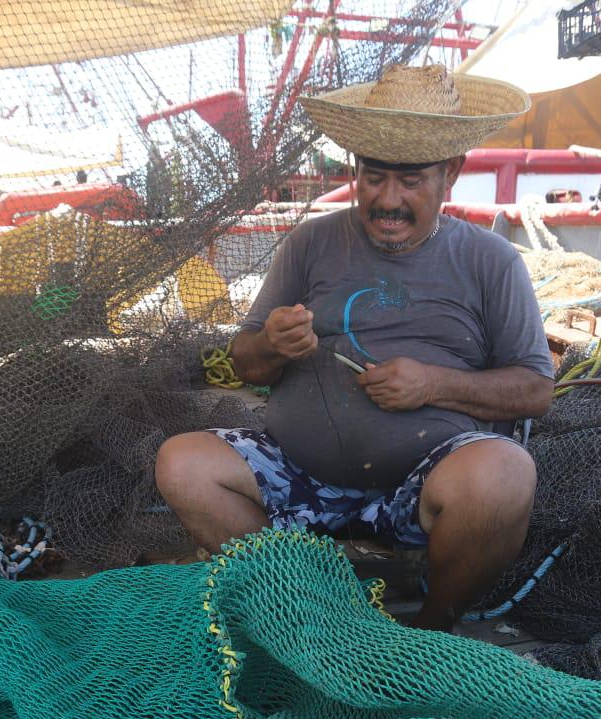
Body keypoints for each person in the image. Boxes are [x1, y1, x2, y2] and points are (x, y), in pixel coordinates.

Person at [154, 64, 547, 632]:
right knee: (182, 463)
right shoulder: (311, 242)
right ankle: (304, 612)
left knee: (505, 474)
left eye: (410, 181)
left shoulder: (491, 261)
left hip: (424, 490)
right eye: (373, 177)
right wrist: (273, 343)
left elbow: (536, 390)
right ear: (355, 170)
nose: (387, 200)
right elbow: (244, 362)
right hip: (297, 480)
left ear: (450, 174)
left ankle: (431, 631)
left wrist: (434, 384)